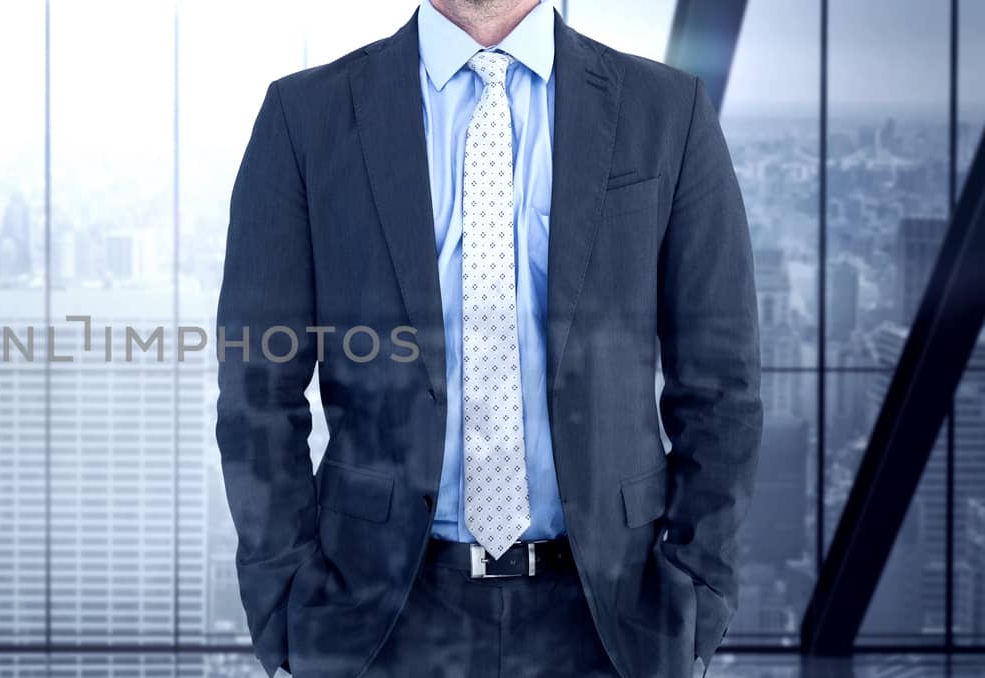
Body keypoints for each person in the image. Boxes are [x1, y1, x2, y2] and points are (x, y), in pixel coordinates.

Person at [215, 0, 760, 676]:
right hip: (374, 619)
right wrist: (284, 604)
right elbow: (256, 389)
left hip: (615, 619)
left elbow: (720, 384)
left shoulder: (667, 111)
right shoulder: (306, 117)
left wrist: (696, 604)